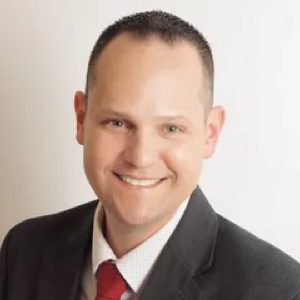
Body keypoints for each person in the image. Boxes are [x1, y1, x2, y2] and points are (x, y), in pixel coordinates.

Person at [0, 10, 299, 300]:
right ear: (81, 119)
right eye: (118, 123)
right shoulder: (23, 251)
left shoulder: (278, 290)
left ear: (210, 133)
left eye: (171, 128)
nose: (140, 157)